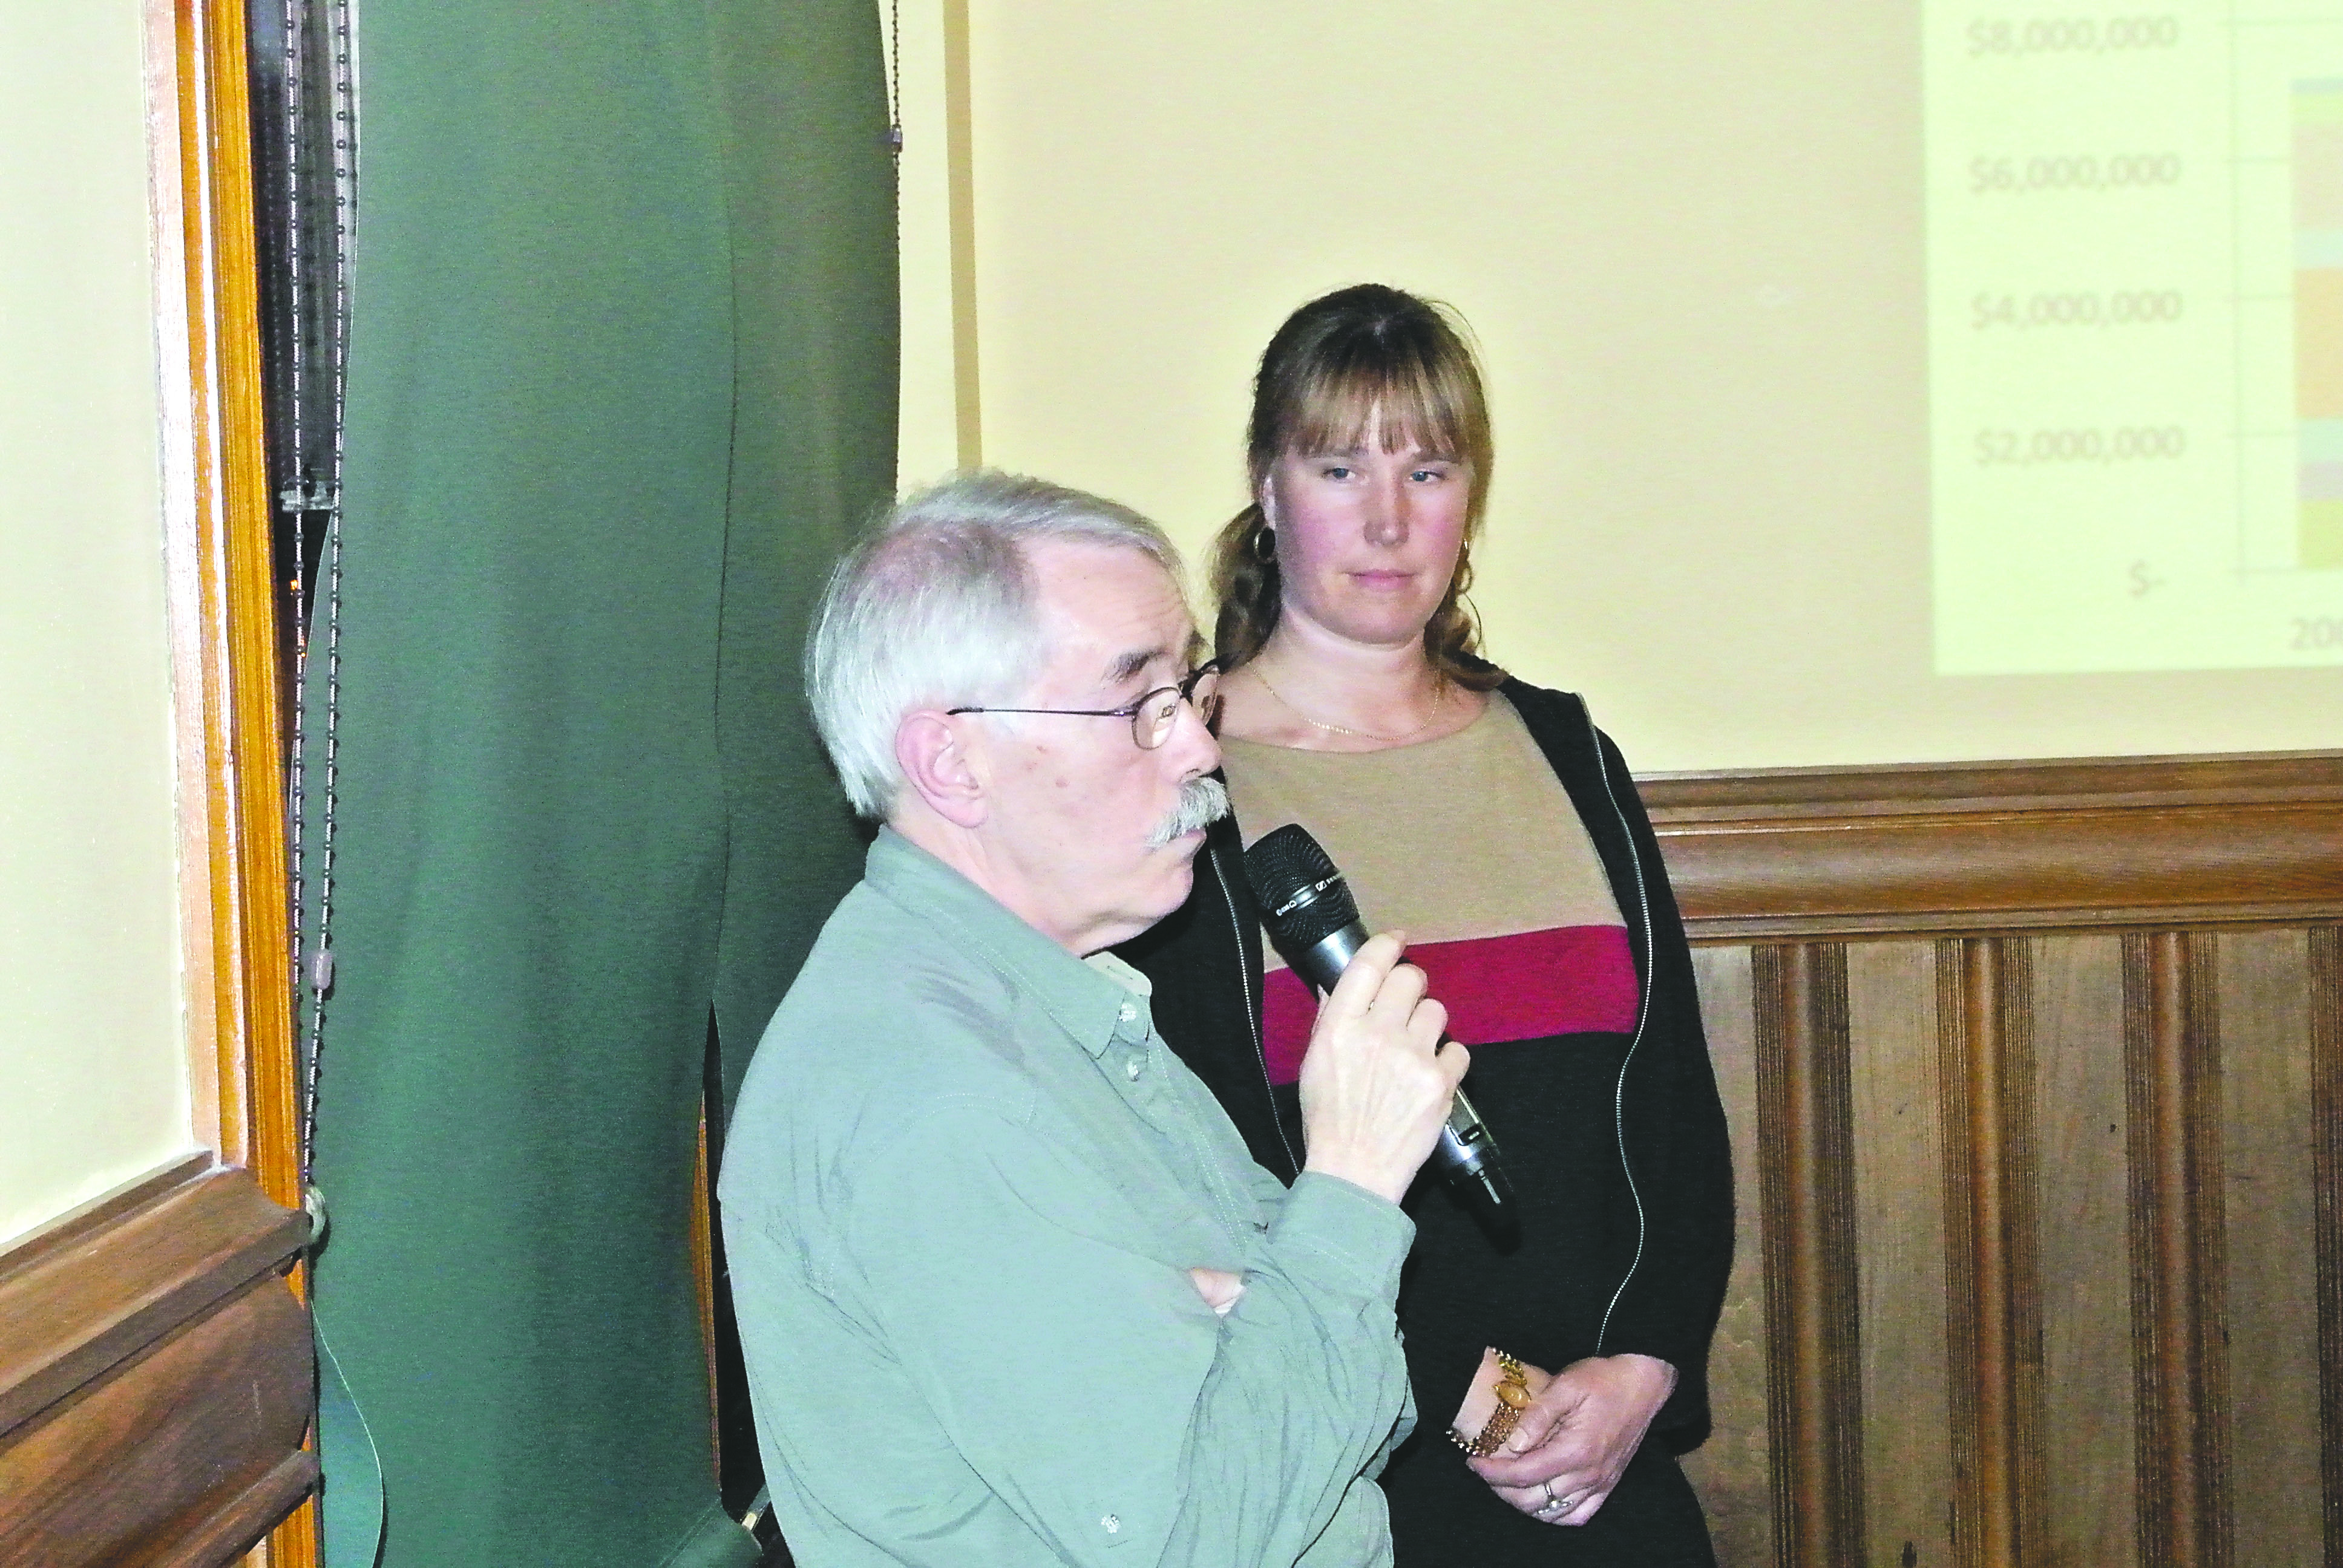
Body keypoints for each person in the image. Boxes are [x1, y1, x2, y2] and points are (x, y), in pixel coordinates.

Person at [719, 470, 1472, 1567]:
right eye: (1140, 708)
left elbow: (1354, 1410)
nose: (1200, 750)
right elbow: (1199, 1538)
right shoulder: (940, 1093)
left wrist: (1275, 1319)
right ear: (951, 762)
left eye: (1189, 692)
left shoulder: (1052, 1002)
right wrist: (1351, 1187)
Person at [1119, 285, 1733, 1566]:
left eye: (1429, 468)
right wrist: (1473, 1395)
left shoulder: (1566, 750)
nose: (1388, 519)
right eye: (1339, 466)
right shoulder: (1180, 784)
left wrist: (1645, 1368)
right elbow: (1186, 1181)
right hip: (1345, 1470)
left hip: (1602, 1457)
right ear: (1267, 487)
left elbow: (1675, 1113)